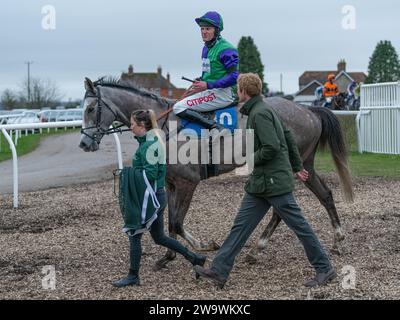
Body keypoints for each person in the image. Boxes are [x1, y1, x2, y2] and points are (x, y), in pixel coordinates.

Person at [194, 73, 336, 289]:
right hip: (261, 182)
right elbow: (287, 136)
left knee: (300, 226)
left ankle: (324, 268)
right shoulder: (264, 109)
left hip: (273, 182)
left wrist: (247, 162)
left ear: (243, 91)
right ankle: (219, 270)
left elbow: (271, 147)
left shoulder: (259, 113)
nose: (236, 93)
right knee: (240, 226)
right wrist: (297, 166)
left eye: (238, 89)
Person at [113, 110, 206, 287]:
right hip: (156, 195)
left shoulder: (150, 144)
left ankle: (133, 276)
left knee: (134, 234)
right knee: (159, 237)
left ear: (142, 126)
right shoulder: (149, 141)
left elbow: (151, 174)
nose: (130, 126)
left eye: (132, 123)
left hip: (151, 197)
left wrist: (128, 174)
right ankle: (195, 258)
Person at [173, 11, 239, 129]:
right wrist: (200, 81)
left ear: (216, 30)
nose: (203, 32)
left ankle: (215, 127)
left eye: (207, 29)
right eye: (202, 29)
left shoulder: (227, 49)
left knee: (178, 107)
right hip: (210, 91)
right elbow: (209, 73)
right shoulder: (206, 48)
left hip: (221, 94)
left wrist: (207, 85)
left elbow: (234, 77)